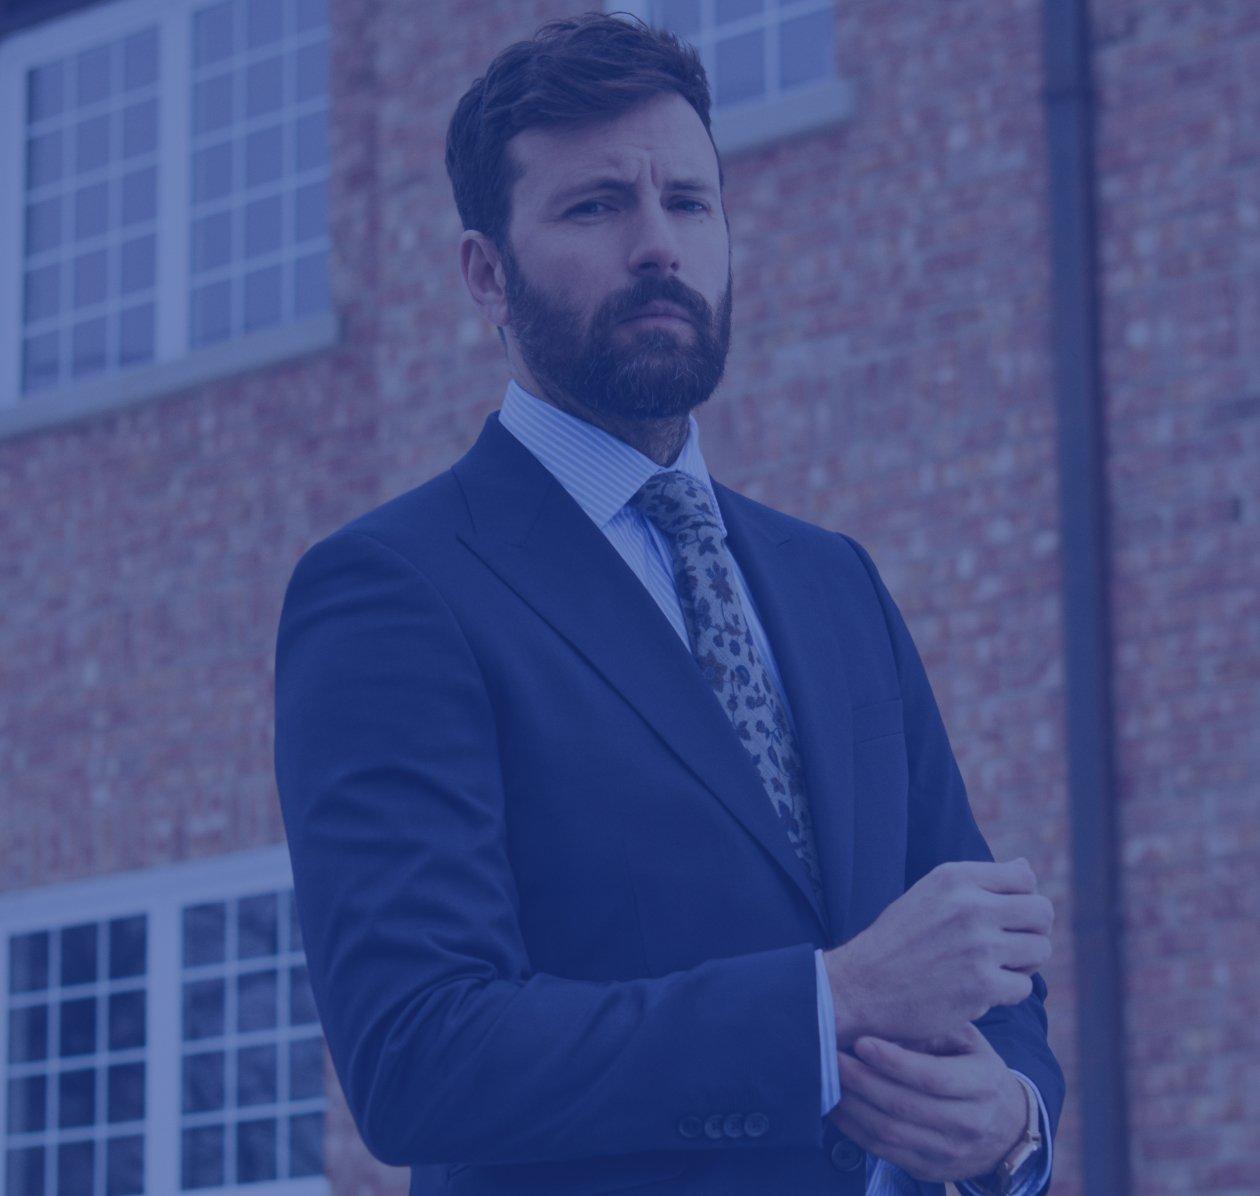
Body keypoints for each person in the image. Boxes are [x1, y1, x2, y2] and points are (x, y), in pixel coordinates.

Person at [273, 13, 1064, 1195]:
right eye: (596, 206)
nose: (659, 245)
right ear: (485, 273)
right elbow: (420, 1050)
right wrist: (830, 1002)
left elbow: (975, 956)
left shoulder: (834, 580)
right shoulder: (395, 589)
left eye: (689, 202)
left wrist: (1010, 1122)